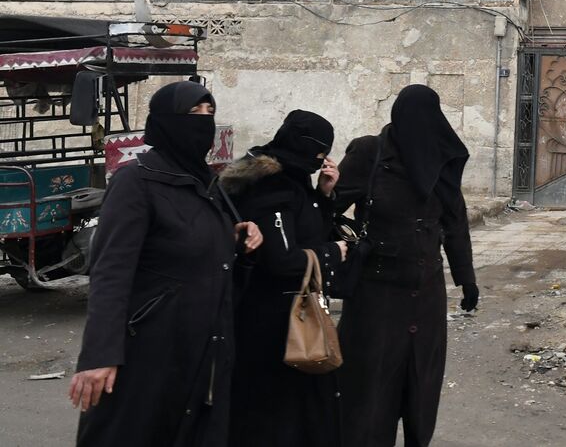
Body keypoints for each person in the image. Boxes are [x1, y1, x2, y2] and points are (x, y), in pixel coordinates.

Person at [69, 81, 262, 447]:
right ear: (166, 122)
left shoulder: (209, 184)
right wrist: (100, 355)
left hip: (205, 352)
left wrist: (236, 239)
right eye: (194, 114)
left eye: (210, 113)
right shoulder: (136, 182)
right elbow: (110, 273)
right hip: (149, 354)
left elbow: (203, 253)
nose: (204, 122)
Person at [335, 84, 479, 447]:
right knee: (370, 387)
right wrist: (339, 251)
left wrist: (466, 279)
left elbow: (455, 223)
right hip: (375, 292)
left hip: (425, 291)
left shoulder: (439, 159)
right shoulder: (369, 153)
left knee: (421, 383)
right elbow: (330, 207)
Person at [220, 109, 346, 447]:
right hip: (269, 323)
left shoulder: (292, 178)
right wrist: (332, 253)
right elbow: (282, 258)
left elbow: (304, 232)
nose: (320, 162)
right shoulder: (272, 186)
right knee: (272, 416)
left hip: (287, 315)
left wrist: (323, 195)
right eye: (318, 155)